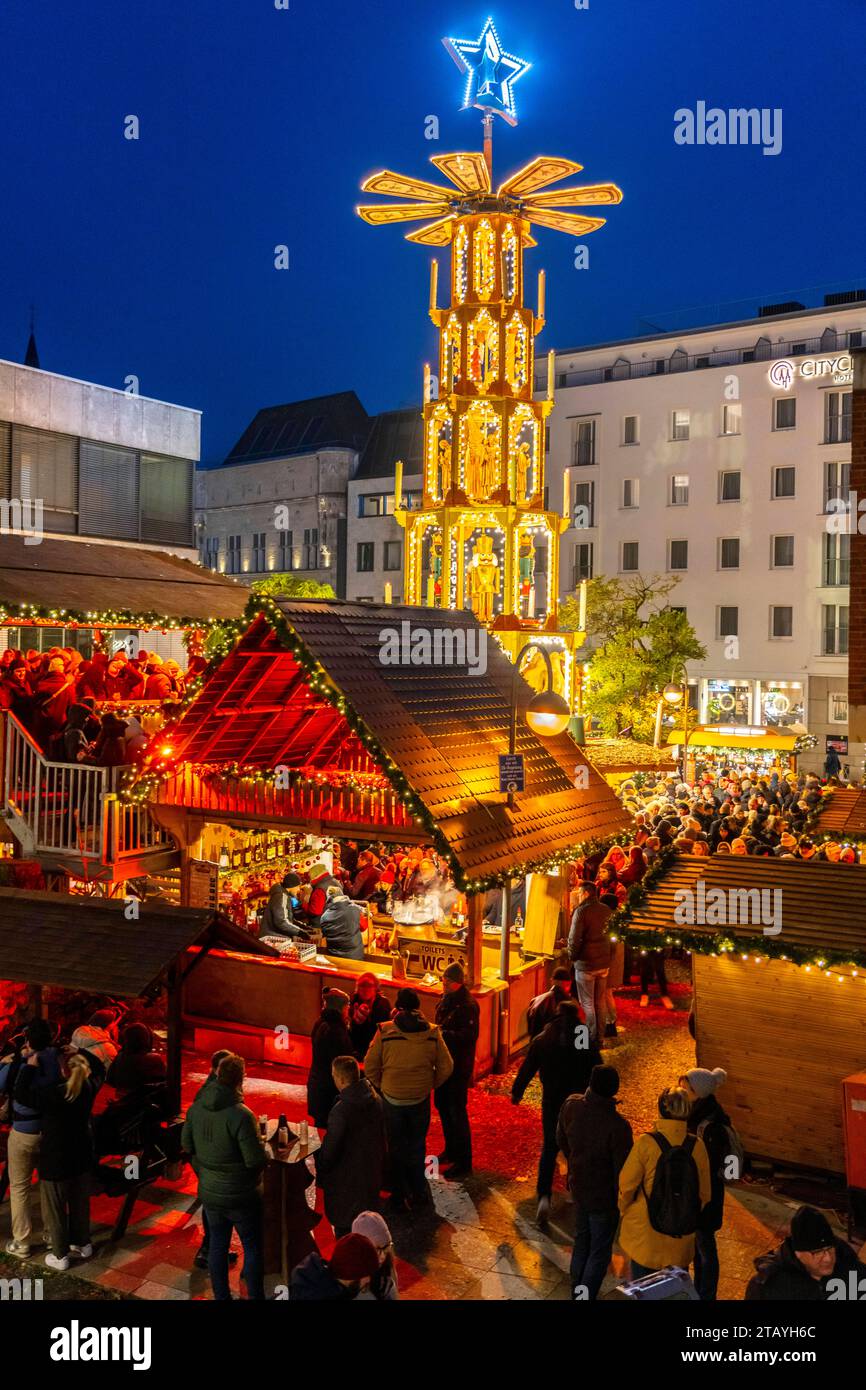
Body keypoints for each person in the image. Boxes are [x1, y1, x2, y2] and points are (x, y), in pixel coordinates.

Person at [180, 1052, 267, 1301]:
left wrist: (205, 1168)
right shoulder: (241, 1115)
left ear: (217, 1075)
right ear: (242, 1079)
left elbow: (186, 1144)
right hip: (241, 1194)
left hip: (209, 1192)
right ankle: (255, 1295)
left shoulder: (196, 1108)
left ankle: (221, 1296)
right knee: (252, 1246)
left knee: (217, 1245)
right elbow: (254, 1160)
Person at [511, 1000, 603, 1226]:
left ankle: (543, 1196)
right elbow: (594, 1062)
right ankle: (572, 1188)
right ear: (575, 1015)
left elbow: (528, 1067)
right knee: (574, 1145)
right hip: (577, 1099)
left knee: (550, 1147)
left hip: (552, 1100)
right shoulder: (581, 1033)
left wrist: (517, 1092)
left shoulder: (545, 1035)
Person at [363, 987, 453, 1212]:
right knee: (416, 1145)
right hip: (419, 1099)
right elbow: (447, 1066)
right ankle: (418, 1191)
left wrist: (383, 1086)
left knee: (395, 1146)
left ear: (398, 1008)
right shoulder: (432, 1033)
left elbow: (370, 1065)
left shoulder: (384, 1032)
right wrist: (430, 1083)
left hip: (392, 1099)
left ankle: (398, 1193)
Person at [618, 1086, 711, 1280]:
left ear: (661, 1109)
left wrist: (625, 1210)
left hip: (645, 1236)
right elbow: (704, 1194)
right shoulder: (697, 1146)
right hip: (680, 1239)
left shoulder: (647, 1143)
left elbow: (627, 1185)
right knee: (673, 1292)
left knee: (643, 1289)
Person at [16, 1047, 96, 1270]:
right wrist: (80, 1050)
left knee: (55, 1207)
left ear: (63, 1070)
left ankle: (60, 1255)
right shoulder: (89, 1088)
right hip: (81, 1155)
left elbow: (22, 1094)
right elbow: (99, 1068)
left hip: (56, 1158)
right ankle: (82, 1243)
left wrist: (29, 1068)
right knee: (79, 1202)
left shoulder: (55, 1094)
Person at [557, 1064, 633, 1300]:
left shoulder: (572, 1106)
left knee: (582, 1241)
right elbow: (624, 1169)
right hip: (604, 1197)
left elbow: (561, 1139)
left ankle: (577, 1291)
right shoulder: (618, 1126)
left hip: (579, 1186)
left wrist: (573, 1160)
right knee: (599, 1250)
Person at [0, 1019, 61, 1258]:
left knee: (19, 1186)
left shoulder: (19, 1063)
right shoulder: (56, 1060)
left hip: (23, 1132)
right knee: (47, 1183)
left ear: (27, 1039)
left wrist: (6, 1061)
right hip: (49, 1131)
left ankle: (22, 1241)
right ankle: (50, 1234)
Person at [680, 1067, 735, 1301]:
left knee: (705, 1247)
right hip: (699, 1194)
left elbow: (707, 1166)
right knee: (700, 1246)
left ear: (699, 1093)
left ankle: (706, 1294)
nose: (682, 1093)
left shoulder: (709, 1126)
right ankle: (700, 1291)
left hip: (706, 1196)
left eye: (686, 1090)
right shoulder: (697, 1115)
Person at [315, 1055, 385, 1236]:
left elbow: (330, 1152)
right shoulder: (375, 1099)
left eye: (333, 1076)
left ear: (341, 1078)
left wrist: (320, 1164)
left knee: (346, 1234)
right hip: (370, 1178)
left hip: (346, 1184)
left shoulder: (341, 1110)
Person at [746, 1205, 866, 1301]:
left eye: (830, 1249)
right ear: (798, 1253)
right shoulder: (767, 1287)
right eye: (817, 1253)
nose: (828, 1259)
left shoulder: (851, 1267)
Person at [188, 1049, 239, 1271]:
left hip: (206, 1160)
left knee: (213, 1206)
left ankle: (212, 1250)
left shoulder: (214, 1092)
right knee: (215, 1209)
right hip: (213, 1162)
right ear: (217, 1069)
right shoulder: (213, 1096)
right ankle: (209, 1251)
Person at [434, 963, 480, 1178]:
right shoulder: (449, 1000)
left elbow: (469, 1037)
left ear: (456, 982)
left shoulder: (467, 1006)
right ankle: (451, 1150)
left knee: (456, 1111)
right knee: (443, 1106)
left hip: (458, 1067)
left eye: (446, 981)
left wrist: (443, 1034)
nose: (443, 984)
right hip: (444, 1064)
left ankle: (464, 1160)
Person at [568, 882, 612, 1045]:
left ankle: (589, 1040)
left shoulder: (581, 912)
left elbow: (574, 938)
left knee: (587, 1003)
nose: (578, 896)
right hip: (603, 963)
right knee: (600, 1001)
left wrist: (572, 957)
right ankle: (600, 1038)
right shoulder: (606, 910)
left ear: (586, 893)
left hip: (586, 964)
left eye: (580, 893)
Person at [307, 990, 354, 1128]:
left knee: (321, 1129)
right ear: (341, 1008)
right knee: (330, 1131)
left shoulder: (321, 1023)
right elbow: (341, 1060)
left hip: (317, 1087)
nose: (348, 1011)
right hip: (329, 1092)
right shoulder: (335, 1030)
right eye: (347, 1008)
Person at [289, 1231, 380, 1300]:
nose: (369, 1279)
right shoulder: (319, 1294)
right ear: (352, 1273)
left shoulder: (314, 1283)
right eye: (367, 1274)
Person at [106, 1022, 167, 1094]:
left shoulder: (120, 1056)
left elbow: (110, 1080)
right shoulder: (154, 1059)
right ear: (146, 1039)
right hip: (144, 1101)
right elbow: (163, 1083)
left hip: (122, 1100)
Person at [351, 1211, 399, 1299]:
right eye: (376, 1250)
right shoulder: (354, 1286)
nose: (382, 1257)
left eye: (386, 1248)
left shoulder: (387, 1267)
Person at [348, 973, 392, 1060]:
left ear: (375, 987)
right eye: (362, 985)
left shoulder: (383, 1004)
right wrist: (356, 1020)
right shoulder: (353, 1001)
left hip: (377, 1047)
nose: (365, 989)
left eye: (369, 985)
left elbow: (385, 1029)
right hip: (357, 1048)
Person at [318, 884, 365, 960]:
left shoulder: (324, 917)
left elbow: (325, 934)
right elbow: (364, 927)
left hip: (333, 957)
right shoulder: (354, 910)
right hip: (355, 957)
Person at [527, 967, 573, 1039]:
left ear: (552, 981)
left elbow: (530, 1029)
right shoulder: (567, 1003)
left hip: (537, 1042)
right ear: (565, 983)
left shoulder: (535, 1000)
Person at [259, 872, 303, 938]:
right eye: (297, 887)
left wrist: (303, 927)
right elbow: (281, 922)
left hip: (276, 936)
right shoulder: (281, 896)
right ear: (291, 886)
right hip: (273, 937)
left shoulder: (283, 895)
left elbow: (287, 918)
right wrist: (300, 932)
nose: (298, 889)